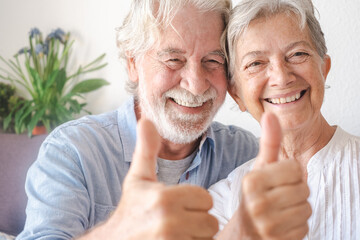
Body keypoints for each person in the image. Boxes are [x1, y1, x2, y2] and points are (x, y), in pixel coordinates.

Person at [17, 0, 259, 239]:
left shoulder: (244, 155)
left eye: (213, 61)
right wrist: (117, 232)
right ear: (133, 62)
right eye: (173, 60)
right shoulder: (73, 151)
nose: (195, 86)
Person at [209, 0, 360, 239]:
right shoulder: (222, 201)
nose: (281, 77)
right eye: (256, 63)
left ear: (323, 69)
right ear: (236, 93)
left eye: (298, 54)